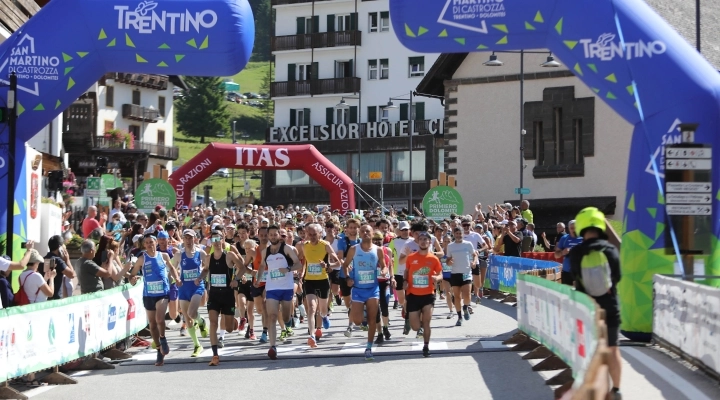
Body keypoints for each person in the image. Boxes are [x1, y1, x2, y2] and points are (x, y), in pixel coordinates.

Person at [568, 208, 622, 400]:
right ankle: (616, 390)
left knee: (589, 350)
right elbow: (617, 277)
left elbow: (575, 277)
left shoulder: (576, 252)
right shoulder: (610, 250)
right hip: (610, 305)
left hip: (587, 307)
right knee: (613, 348)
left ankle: (589, 389)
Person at [128, 234, 181, 366]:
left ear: (156, 242)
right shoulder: (142, 259)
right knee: (152, 324)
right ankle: (159, 350)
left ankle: (162, 338)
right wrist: (132, 279)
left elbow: (172, 267)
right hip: (148, 294)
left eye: (151, 242)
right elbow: (132, 274)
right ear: (144, 245)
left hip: (162, 293)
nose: (149, 244)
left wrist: (177, 278)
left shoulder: (163, 256)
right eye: (147, 243)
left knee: (159, 319)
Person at [197, 228, 243, 366]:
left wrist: (237, 280)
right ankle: (215, 355)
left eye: (220, 239)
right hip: (214, 295)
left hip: (228, 295)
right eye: (214, 240)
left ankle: (232, 321)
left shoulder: (229, 255)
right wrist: (200, 278)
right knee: (213, 323)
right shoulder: (208, 257)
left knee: (229, 328)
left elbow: (242, 268)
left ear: (223, 240)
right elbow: (205, 270)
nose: (217, 242)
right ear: (211, 242)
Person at [255, 224, 302, 360]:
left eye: (275, 234)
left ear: (278, 236)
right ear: (268, 236)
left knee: (286, 317)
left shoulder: (286, 248)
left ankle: (288, 323)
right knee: (272, 316)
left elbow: (298, 264)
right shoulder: (266, 251)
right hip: (272, 288)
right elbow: (262, 266)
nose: (273, 237)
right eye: (271, 235)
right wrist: (258, 280)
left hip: (286, 287)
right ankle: (273, 346)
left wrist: (287, 269)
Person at [342, 224, 387, 361]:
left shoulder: (378, 250)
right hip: (358, 290)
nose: (365, 233)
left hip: (373, 289)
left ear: (372, 233)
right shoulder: (353, 249)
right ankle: (364, 314)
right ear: (359, 234)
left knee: (373, 320)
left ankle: (368, 347)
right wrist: (348, 278)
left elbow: (384, 265)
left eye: (368, 231)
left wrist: (384, 272)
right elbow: (345, 266)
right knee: (357, 321)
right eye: (362, 231)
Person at [403, 231, 443, 357]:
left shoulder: (433, 258)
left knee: (427, 321)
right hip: (413, 295)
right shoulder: (411, 257)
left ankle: (426, 346)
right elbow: (406, 271)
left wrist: (437, 278)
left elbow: (441, 273)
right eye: (421, 239)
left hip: (428, 294)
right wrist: (404, 281)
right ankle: (414, 323)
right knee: (415, 327)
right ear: (418, 241)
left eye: (426, 240)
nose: (423, 241)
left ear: (429, 242)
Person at [302, 224, 340, 348]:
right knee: (312, 308)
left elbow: (337, 263)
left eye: (315, 234)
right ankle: (312, 336)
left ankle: (324, 316)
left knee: (322, 309)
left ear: (320, 234)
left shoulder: (325, 245)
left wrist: (327, 266)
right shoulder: (304, 246)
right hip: (309, 280)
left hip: (323, 280)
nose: (312, 237)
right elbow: (302, 261)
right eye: (310, 234)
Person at [174, 229, 209, 358]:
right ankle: (197, 345)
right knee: (188, 319)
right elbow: (172, 268)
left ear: (195, 239)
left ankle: (201, 321)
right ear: (183, 239)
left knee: (191, 313)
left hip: (196, 286)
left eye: (190, 238)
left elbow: (207, 268)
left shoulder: (200, 253)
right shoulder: (179, 254)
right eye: (186, 238)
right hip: (183, 288)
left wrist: (200, 277)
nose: (188, 241)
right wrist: (176, 278)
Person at [446, 227, 477, 326]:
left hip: (466, 273)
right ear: (454, 234)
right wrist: (449, 262)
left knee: (467, 295)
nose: (459, 235)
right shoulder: (450, 246)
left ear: (463, 234)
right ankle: (459, 317)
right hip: (455, 274)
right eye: (457, 233)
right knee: (457, 297)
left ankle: (465, 307)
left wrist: (474, 262)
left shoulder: (468, 244)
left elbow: (474, 255)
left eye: (460, 233)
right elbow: (448, 260)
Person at [555, 220, 582, 285]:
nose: (574, 230)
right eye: (571, 228)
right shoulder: (564, 239)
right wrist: (562, 252)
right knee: (566, 293)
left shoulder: (583, 238)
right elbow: (556, 255)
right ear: (569, 229)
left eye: (575, 228)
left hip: (581, 272)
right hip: (567, 272)